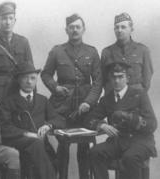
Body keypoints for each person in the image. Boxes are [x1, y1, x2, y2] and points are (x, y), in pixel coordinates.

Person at [41, 13, 102, 179]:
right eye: (71, 27)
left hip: (85, 107)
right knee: (63, 147)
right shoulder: (57, 51)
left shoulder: (92, 52)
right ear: (66, 30)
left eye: (78, 27)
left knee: (87, 147)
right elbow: (45, 74)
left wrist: (89, 102)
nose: (75, 30)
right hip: (62, 106)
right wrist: (55, 88)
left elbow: (98, 81)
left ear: (84, 30)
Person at [85, 61, 157, 179]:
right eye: (114, 77)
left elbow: (152, 124)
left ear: (127, 78)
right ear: (110, 79)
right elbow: (89, 119)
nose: (117, 81)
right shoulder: (106, 99)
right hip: (119, 141)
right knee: (94, 152)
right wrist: (101, 125)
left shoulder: (140, 94)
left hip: (141, 141)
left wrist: (129, 118)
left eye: (120, 77)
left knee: (130, 157)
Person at [0, 62, 65, 179]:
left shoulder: (42, 100)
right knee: (36, 145)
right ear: (19, 80)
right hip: (17, 143)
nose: (29, 82)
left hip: (40, 146)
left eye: (33, 78)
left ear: (36, 80)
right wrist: (26, 134)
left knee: (52, 159)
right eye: (25, 78)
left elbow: (59, 120)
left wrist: (48, 126)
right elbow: (4, 128)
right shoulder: (8, 101)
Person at [0, 1, 33, 111]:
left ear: (15, 20)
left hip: (19, 91)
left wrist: (31, 94)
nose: (8, 22)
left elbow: (30, 71)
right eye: (4, 18)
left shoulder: (23, 42)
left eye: (11, 18)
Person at [101, 12, 153, 94]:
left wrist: (139, 97)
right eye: (116, 27)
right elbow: (103, 80)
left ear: (131, 29)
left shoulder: (143, 50)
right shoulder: (107, 52)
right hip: (114, 100)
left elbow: (147, 79)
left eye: (123, 27)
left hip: (136, 99)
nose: (119, 30)